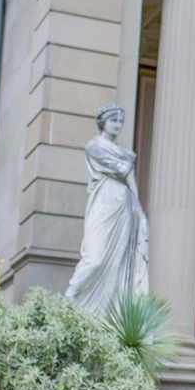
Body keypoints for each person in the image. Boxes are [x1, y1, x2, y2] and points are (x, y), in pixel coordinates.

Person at [65, 104, 150, 316]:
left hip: (124, 205)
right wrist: (126, 166)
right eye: (113, 120)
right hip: (104, 203)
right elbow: (122, 169)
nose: (117, 125)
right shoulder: (94, 147)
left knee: (119, 263)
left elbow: (130, 180)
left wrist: (139, 211)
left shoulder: (125, 153)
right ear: (103, 123)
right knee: (95, 258)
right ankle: (68, 302)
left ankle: (106, 313)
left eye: (120, 121)